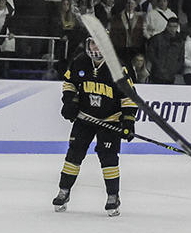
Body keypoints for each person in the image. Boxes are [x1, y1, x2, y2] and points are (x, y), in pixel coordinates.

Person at [51, 38, 137, 217]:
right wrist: (70, 101)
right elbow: (70, 84)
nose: (95, 47)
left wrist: (128, 120)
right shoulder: (80, 61)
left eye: (99, 43)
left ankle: (113, 196)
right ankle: (64, 191)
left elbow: (128, 97)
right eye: (92, 43)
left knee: (108, 158)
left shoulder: (117, 68)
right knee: (74, 154)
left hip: (110, 120)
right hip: (85, 118)